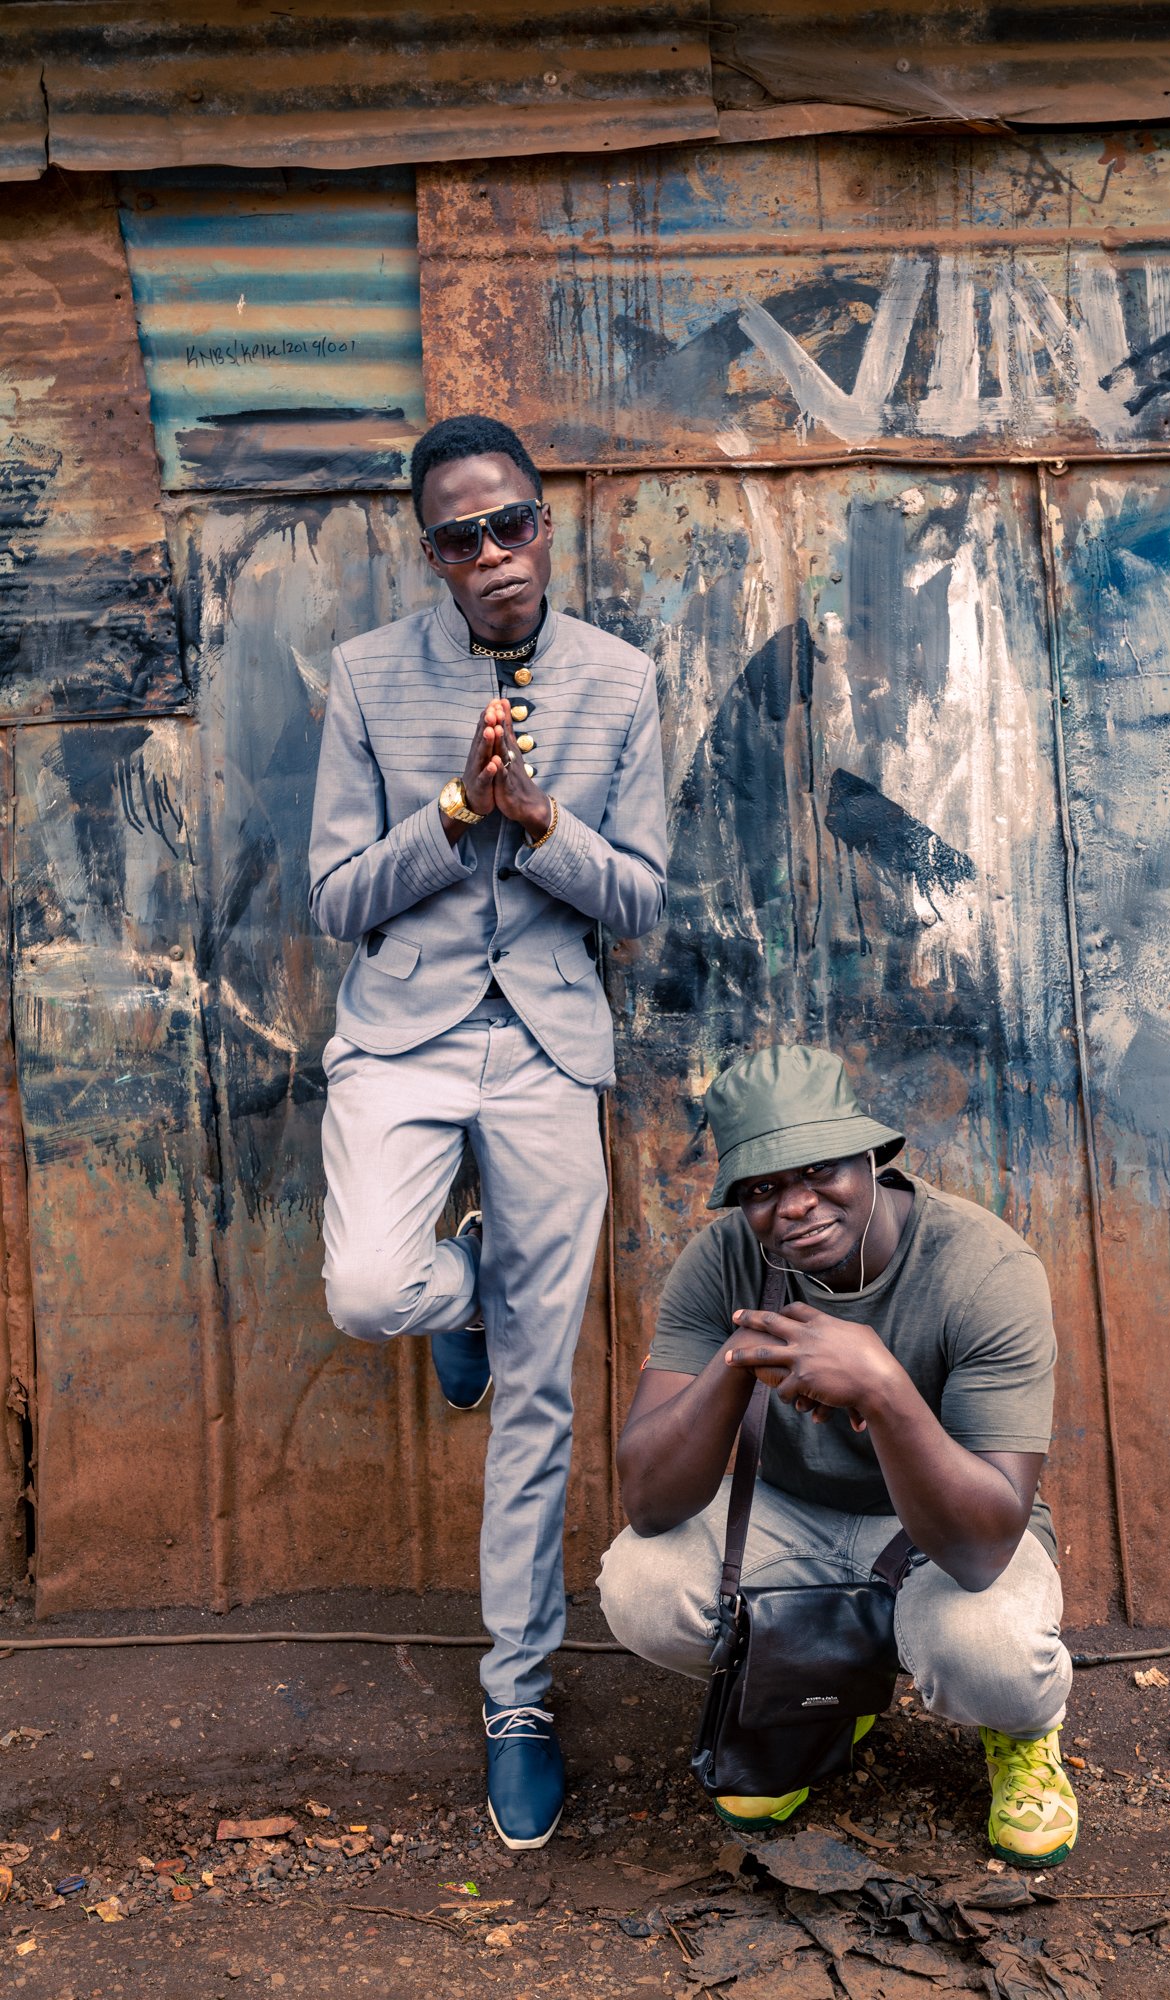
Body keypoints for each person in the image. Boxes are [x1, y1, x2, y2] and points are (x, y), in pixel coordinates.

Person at [309, 412, 667, 1850]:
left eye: (510, 522)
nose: (491, 553)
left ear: (542, 520)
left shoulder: (619, 683)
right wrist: (453, 813)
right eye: (460, 536)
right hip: (399, 1035)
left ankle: (515, 1694)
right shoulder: (365, 678)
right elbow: (336, 897)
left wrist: (543, 822)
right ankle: (455, 1290)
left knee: (539, 1391)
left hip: (545, 1053)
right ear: (430, 552)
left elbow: (637, 898)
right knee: (367, 1290)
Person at [599, 1044, 1078, 1869]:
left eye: (819, 1170)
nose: (794, 1205)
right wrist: (739, 1356)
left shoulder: (983, 1268)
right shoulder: (722, 1262)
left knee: (988, 1650)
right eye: (761, 1189)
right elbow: (648, 1498)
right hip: (790, 1515)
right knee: (640, 1586)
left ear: (871, 1156)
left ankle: (1022, 1733)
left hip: (939, 1528)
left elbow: (981, 1545)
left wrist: (884, 1389)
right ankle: (821, 1694)